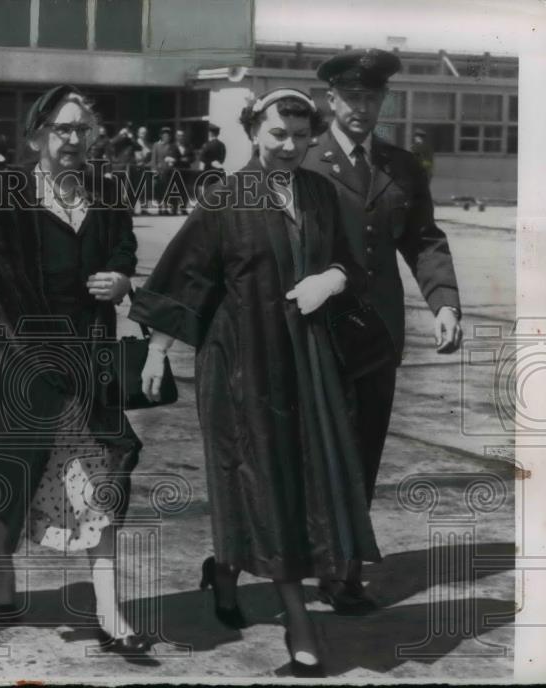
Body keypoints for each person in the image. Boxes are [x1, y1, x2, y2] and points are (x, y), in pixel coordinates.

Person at [130, 88, 382, 677]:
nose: (290, 146)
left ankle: (224, 570)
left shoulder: (320, 192)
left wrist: (333, 278)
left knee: (299, 481)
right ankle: (299, 623)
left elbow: (349, 259)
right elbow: (184, 277)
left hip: (307, 362)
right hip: (241, 363)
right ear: (252, 132)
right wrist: (157, 351)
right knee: (261, 479)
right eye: (277, 134)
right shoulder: (226, 197)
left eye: (300, 135)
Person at [0, 85, 148, 657]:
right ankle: (2, 566)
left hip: (88, 367)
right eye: (61, 128)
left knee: (102, 483)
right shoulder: (3, 195)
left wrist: (121, 279)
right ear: (35, 137)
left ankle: (109, 612)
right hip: (22, 365)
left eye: (82, 129)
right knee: (12, 480)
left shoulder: (107, 193)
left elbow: (124, 249)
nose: (73, 139)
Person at [303, 49, 462, 613]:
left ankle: (342, 568)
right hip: (316, 333)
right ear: (331, 100)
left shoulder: (401, 166)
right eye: (351, 97)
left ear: (383, 101)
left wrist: (444, 302)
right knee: (315, 451)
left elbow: (423, 239)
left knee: (363, 450)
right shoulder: (304, 159)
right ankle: (300, 558)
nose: (361, 108)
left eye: (371, 98)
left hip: (379, 337)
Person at [151, 127, 174, 215]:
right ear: (161, 136)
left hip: (168, 171)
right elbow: (153, 158)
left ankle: (166, 208)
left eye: (168, 135)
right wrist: (154, 169)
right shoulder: (156, 145)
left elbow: (173, 156)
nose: (166, 137)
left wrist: (172, 161)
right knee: (158, 190)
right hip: (158, 171)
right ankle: (160, 208)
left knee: (167, 190)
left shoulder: (171, 146)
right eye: (164, 135)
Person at [133, 125, 153, 215]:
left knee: (146, 188)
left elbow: (152, 157)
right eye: (142, 133)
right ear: (138, 134)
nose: (143, 135)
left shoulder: (149, 144)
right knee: (137, 189)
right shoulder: (135, 143)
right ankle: (136, 208)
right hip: (137, 169)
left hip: (146, 169)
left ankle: (144, 208)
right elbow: (136, 157)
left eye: (145, 133)